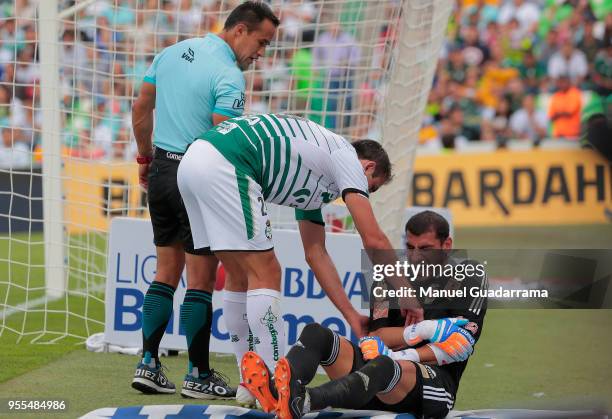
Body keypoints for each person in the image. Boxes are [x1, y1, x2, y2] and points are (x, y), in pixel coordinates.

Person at [177, 113, 421, 410]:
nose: (363, 194)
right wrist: (407, 293)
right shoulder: (344, 156)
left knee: (239, 274)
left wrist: (349, 314)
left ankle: (248, 384)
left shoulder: (318, 178)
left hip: (193, 161)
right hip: (227, 162)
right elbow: (374, 239)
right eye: (371, 187)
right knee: (267, 270)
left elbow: (315, 253)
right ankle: (271, 387)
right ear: (367, 167)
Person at [130, 1, 279, 398]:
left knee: (165, 271)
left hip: (161, 169)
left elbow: (141, 106)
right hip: (196, 179)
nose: (261, 54)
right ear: (239, 30)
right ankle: (198, 374)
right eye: (261, 42)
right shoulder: (229, 74)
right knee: (199, 280)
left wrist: (144, 157)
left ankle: (148, 363)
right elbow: (222, 136)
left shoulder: (171, 52)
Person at [242, 210, 487, 419]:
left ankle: (303, 403)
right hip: (371, 381)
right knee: (316, 333)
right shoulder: (390, 275)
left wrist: (402, 351)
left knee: (385, 363)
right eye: (410, 247)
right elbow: (376, 336)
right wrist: (420, 331)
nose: (415, 257)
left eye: (426, 249)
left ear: (447, 245)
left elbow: (459, 344)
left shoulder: (469, 275)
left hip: (432, 388)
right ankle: (277, 392)